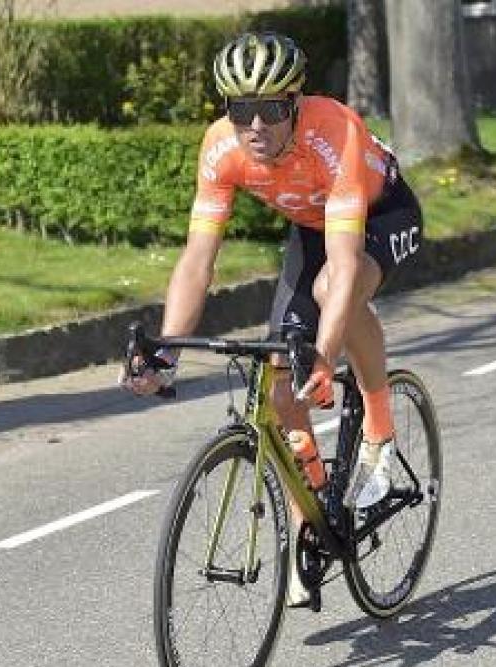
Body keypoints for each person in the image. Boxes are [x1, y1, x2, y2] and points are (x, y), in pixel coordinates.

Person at [122, 31, 423, 606]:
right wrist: (166, 352)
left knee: (338, 286)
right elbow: (197, 260)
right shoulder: (220, 149)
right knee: (280, 385)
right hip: (311, 228)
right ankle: (311, 518)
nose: (255, 126)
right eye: (241, 111)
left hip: (380, 215)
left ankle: (379, 430)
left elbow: (342, 258)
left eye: (270, 110)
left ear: (295, 104)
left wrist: (325, 352)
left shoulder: (332, 133)